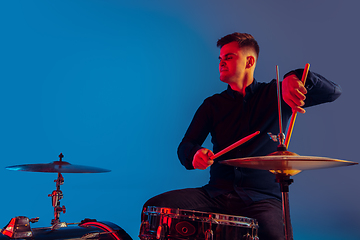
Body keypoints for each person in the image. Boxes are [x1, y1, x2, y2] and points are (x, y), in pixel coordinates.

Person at [141, 32, 341, 240]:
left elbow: (333, 92)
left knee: (275, 235)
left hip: (262, 199)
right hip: (216, 194)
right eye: (220, 58)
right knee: (155, 209)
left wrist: (294, 77)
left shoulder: (278, 93)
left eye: (228, 57)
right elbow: (186, 145)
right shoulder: (212, 105)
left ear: (249, 61)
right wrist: (195, 154)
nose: (221, 63)